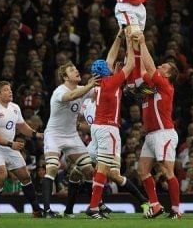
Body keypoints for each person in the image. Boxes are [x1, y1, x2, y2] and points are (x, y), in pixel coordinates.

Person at [86, 27, 135, 219]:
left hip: (98, 127)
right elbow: (130, 64)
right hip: (108, 128)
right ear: (106, 71)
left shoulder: (100, 82)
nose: (113, 64)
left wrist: (119, 36)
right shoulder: (111, 82)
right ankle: (93, 207)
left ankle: (95, 205)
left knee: (105, 169)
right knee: (104, 168)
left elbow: (110, 56)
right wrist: (131, 41)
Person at [42, 61, 99, 218]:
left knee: (88, 170)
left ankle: (78, 209)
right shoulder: (60, 91)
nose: (76, 71)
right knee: (53, 167)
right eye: (72, 70)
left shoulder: (82, 89)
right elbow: (72, 96)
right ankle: (47, 211)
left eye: (76, 68)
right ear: (65, 77)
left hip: (72, 135)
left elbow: (99, 91)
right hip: (54, 134)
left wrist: (106, 76)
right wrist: (89, 85)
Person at [134, 32, 182, 219]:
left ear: (168, 75)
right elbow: (141, 76)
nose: (160, 66)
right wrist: (134, 49)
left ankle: (177, 210)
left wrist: (143, 43)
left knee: (166, 170)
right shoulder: (152, 88)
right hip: (151, 135)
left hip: (164, 133)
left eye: (164, 66)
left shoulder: (166, 86)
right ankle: (155, 206)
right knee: (143, 171)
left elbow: (149, 68)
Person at [0, 81, 44, 218]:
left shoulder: (15, 107)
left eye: (10, 89)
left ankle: (36, 210)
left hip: (10, 147)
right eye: (5, 90)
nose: (10, 92)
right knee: (1, 176)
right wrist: (11, 144)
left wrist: (36, 134)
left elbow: (22, 126)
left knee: (25, 176)